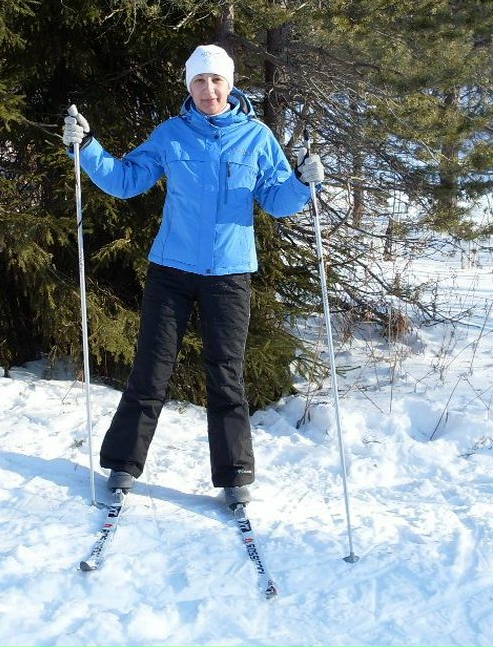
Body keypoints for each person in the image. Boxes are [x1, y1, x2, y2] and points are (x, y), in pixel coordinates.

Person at [62, 44, 324, 508]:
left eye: (216, 80)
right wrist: (86, 148)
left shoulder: (257, 138)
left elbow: (277, 201)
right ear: (190, 86)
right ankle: (123, 463)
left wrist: (302, 183)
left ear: (230, 84)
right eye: (199, 81)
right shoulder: (172, 134)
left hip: (229, 274)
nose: (209, 89)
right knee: (151, 369)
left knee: (226, 374)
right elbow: (126, 181)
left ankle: (234, 473)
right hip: (172, 270)